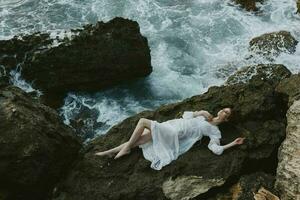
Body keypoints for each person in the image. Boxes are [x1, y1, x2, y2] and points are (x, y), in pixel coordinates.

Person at [95, 108, 245, 170]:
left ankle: (126, 148)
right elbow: (185, 115)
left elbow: (215, 149)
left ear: (227, 119)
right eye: (224, 109)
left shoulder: (215, 131)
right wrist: (199, 112)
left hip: (176, 133)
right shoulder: (206, 114)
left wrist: (232, 144)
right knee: (142, 139)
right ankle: (111, 151)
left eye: (227, 113)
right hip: (173, 125)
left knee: (142, 122)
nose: (223, 112)